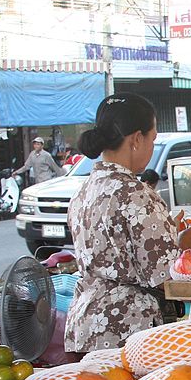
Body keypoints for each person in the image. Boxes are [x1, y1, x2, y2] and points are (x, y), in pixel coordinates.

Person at [64, 93, 181, 353]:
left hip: (85, 325)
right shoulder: (136, 194)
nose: (152, 145)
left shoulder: (84, 191)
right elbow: (164, 274)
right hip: (128, 329)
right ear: (137, 139)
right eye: (153, 138)